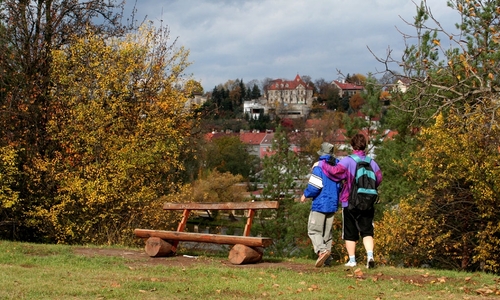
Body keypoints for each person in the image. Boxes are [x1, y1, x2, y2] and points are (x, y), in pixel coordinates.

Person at [316, 133, 382, 269]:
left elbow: (335, 172)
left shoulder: (348, 161)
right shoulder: (372, 163)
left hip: (350, 201)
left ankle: (352, 260)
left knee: (350, 232)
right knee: (367, 231)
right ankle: (370, 256)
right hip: (368, 202)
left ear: (352, 145)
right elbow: (378, 179)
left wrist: (322, 163)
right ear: (365, 146)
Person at [300, 142, 341, 267]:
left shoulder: (319, 168)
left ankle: (322, 251)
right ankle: (327, 261)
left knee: (313, 230)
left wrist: (305, 195)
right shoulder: (337, 168)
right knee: (327, 233)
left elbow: (314, 187)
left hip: (320, 203)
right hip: (333, 204)